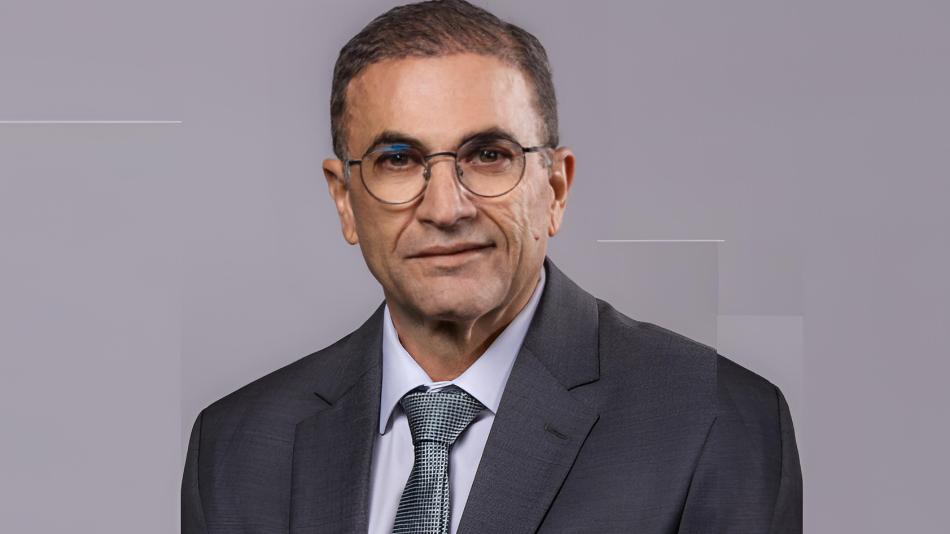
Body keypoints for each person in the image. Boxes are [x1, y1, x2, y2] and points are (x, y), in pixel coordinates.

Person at [181, 1, 803, 532]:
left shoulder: (715, 423)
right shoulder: (235, 449)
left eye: (487, 155)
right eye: (397, 159)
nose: (446, 209)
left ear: (555, 188)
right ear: (345, 201)